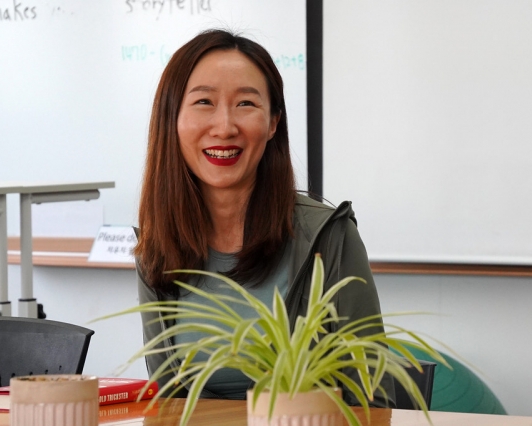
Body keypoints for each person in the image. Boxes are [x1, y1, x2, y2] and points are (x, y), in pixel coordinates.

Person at [134, 28, 395, 407]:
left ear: (273, 123)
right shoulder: (156, 247)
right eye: (204, 101)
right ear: (171, 120)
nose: (224, 126)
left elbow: (372, 399)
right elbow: (172, 401)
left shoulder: (328, 236)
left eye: (246, 104)